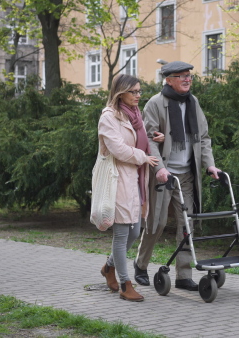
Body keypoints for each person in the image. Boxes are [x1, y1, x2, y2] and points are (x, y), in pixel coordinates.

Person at [134, 61, 221, 291]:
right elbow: (150, 140)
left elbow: (203, 138)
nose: (187, 79)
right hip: (164, 175)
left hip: (186, 176)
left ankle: (184, 275)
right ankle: (141, 265)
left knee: (187, 225)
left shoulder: (193, 102)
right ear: (169, 80)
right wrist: (159, 168)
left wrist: (210, 165)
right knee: (157, 223)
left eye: (189, 76)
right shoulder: (155, 103)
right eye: (182, 76)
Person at [98, 74, 163, 302]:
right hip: (118, 178)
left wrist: (155, 137)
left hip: (135, 178)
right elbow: (118, 149)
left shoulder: (135, 115)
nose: (138, 95)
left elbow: (138, 138)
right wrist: (144, 156)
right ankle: (126, 284)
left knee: (135, 231)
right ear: (120, 93)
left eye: (139, 91)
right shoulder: (109, 117)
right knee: (122, 232)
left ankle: (108, 267)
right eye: (133, 92)